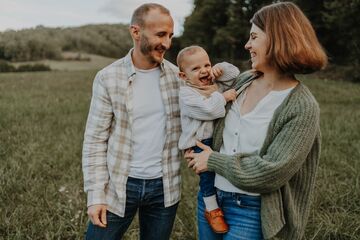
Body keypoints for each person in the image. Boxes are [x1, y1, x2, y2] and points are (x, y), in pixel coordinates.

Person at [185, 2, 327, 240]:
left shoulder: (302, 107)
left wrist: (213, 160)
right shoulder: (243, 81)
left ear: (278, 39)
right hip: (211, 200)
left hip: (251, 210)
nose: (247, 45)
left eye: (253, 37)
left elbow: (272, 171)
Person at [82, 3, 182, 240]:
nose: (167, 43)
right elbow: (95, 140)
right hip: (118, 186)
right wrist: (96, 195)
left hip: (164, 187)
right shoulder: (108, 77)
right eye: (160, 35)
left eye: (170, 35)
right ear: (136, 32)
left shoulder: (179, 78)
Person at [177, 46, 239, 233]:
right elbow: (208, 110)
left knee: (223, 169)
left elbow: (234, 75)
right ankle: (212, 209)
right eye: (195, 69)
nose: (204, 70)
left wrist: (220, 69)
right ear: (183, 76)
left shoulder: (213, 83)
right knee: (207, 177)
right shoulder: (187, 94)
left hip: (218, 138)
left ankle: (227, 199)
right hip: (199, 143)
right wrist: (224, 97)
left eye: (207, 64)